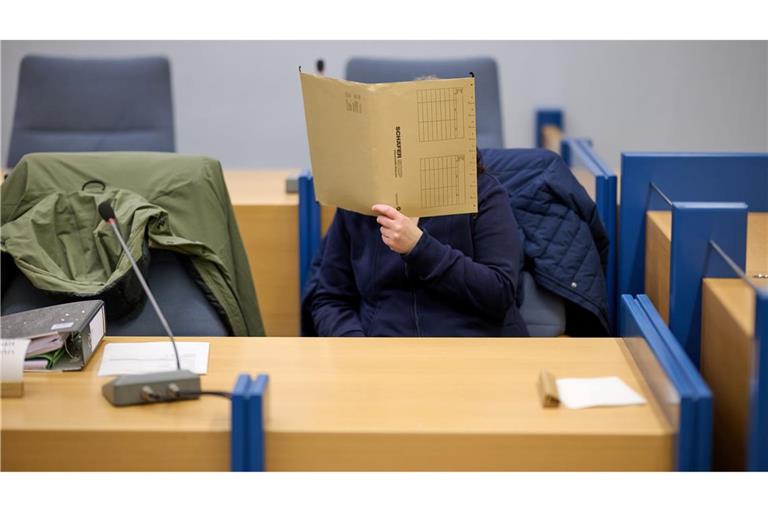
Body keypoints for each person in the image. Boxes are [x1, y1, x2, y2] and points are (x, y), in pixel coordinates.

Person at [311, 151, 529, 337]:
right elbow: (330, 300)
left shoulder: (482, 191)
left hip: (471, 350)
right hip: (385, 357)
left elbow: (499, 292)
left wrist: (420, 248)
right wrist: (358, 347)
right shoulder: (358, 201)